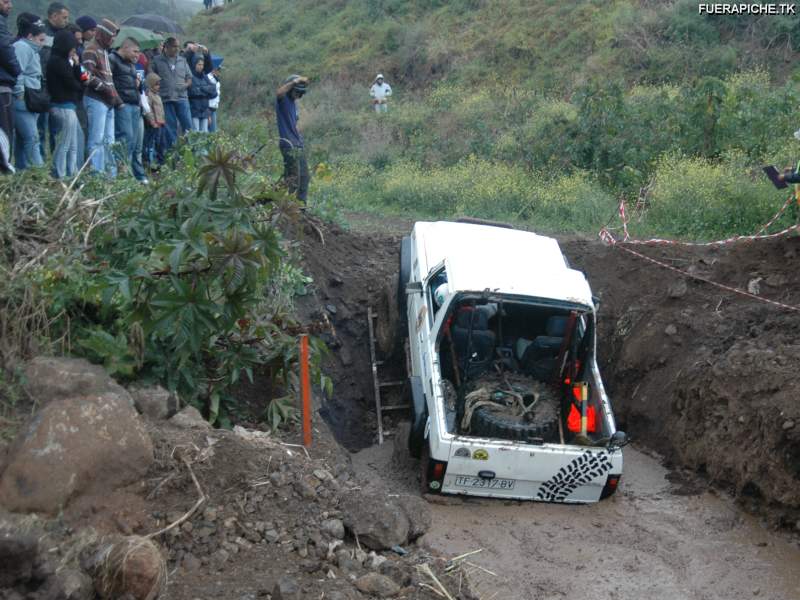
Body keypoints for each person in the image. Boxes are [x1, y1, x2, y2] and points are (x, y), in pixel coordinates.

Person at [82, 18, 120, 177]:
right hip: (96, 100)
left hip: (108, 102)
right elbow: (85, 76)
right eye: (111, 37)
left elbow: (108, 79)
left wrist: (116, 97)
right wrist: (105, 90)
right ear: (103, 35)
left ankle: (111, 175)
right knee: (96, 140)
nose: (112, 40)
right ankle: (96, 176)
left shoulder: (104, 52)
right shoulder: (90, 50)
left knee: (109, 141)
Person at [46, 29, 83, 178]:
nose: (74, 51)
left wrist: (77, 65)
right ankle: (60, 174)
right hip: (62, 106)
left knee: (73, 145)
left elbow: (82, 79)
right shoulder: (57, 62)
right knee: (64, 144)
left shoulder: (66, 62)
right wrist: (78, 77)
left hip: (69, 106)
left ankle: (71, 173)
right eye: (72, 48)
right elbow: (74, 84)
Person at [12, 15, 47, 170]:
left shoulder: (33, 50)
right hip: (23, 97)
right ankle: (39, 173)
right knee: (32, 138)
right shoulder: (22, 47)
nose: (42, 43)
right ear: (30, 36)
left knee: (22, 138)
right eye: (40, 39)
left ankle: (21, 171)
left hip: (31, 96)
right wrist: (19, 93)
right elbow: (17, 71)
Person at [110, 36, 145, 182]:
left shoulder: (131, 64)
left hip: (135, 104)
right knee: (125, 138)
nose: (137, 55)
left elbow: (137, 86)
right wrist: (118, 102)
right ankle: (121, 174)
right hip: (123, 104)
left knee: (134, 142)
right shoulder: (112, 59)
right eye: (135, 51)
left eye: (139, 52)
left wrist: (138, 84)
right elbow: (109, 82)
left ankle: (127, 173)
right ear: (124, 48)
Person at [149, 36, 192, 151]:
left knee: (188, 126)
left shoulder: (182, 60)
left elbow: (189, 78)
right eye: (174, 46)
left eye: (178, 46)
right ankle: (173, 154)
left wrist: (186, 85)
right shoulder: (157, 60)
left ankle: (191, 151)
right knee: (170, 128)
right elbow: (151, 77)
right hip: (166, 98)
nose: (177, 49)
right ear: (166, 47)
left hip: (182, 98)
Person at [275, 74, 310, 203]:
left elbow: (293, 124)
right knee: (293, 180)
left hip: (297, 144)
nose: (298, 96)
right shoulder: (283, 100)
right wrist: (295, 81)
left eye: (300, 94)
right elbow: (279, 92)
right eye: (296, 92)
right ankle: (288, 209)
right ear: (290, 88)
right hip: (288, 144)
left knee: (304, 177)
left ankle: (301, 210)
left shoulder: (293, 104)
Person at [0, 0, 21, 147]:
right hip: (2, 84)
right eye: (5, 1)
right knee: (5, 135)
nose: (10, 5)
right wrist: (17, 70)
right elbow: (5, 48)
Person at [187, 55, 215, 132]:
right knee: (195, 132)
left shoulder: (205, 77)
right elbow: (192, 91)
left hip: (205, 111)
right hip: (194, 110)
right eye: (199, 64)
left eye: (202, 65)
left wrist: (202, 88)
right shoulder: (190, 77)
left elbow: (213, 90)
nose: (201, 66)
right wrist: (206, 90)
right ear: (194, 64)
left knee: (204, 133)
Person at [143, 71, 165, 168]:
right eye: (156, 85)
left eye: (159, 84)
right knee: (151, 143)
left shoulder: (158, 96)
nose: (158, 87)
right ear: (151, 84)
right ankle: (150, 162)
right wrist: (152, 121)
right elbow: (149, 110)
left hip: (160, 124)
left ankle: (159, 161)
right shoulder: (149, 95)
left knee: (159, 143)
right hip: (152, 125)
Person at [207, 65, 220, 132]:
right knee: (211, 132)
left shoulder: (214, 78)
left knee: (213, 131)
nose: (219, 72)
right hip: (209, 108)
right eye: (218, 69)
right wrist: (208, 114)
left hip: (213, 108)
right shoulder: (208, 78)